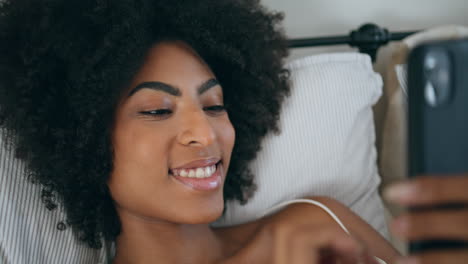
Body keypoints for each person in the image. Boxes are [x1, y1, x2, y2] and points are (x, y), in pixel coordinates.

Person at [0, 0, 399, 263]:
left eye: (214, 106)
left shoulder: (319, 220)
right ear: (82, 142)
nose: (205, 135)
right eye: (157, 110)